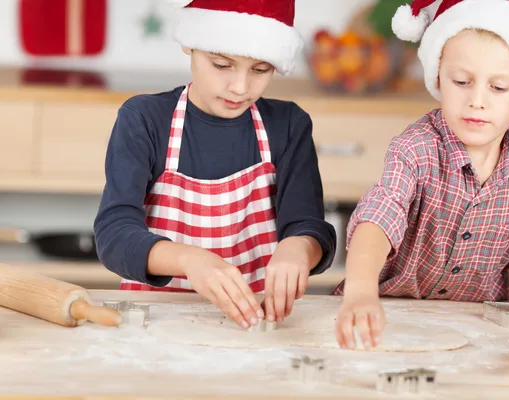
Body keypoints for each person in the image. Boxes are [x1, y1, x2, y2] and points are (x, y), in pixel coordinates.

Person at [333, 0, 509, 350]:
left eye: (498, 88)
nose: (477, 100)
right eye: (461, 81)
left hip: (475, 322)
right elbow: (380, 215)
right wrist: (360, 293)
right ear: (439, 78)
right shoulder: (416, 148)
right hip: (390, 313)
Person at [93, 0, 336, 330]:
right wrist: (190, 260)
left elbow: (308, 226)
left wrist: (299, 248)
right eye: (222, 65)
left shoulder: (288, 125)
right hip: (155, 323)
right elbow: (114, 236)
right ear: (189, 43)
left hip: (253, 325)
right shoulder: (145, 120)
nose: (240, 87)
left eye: (261, 70)